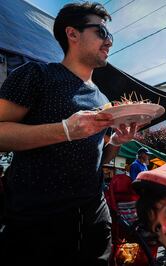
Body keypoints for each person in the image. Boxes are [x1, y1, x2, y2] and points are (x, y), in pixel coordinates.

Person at [0, 2, 138, 265]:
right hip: (36, 223)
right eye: (101, 32)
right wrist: (64, 130)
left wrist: (118, 143)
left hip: (93, 220)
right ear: (72, 34)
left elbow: (99, 160)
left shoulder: (103, 99)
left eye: (110, 35)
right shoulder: (37, 75)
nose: (109, 41)